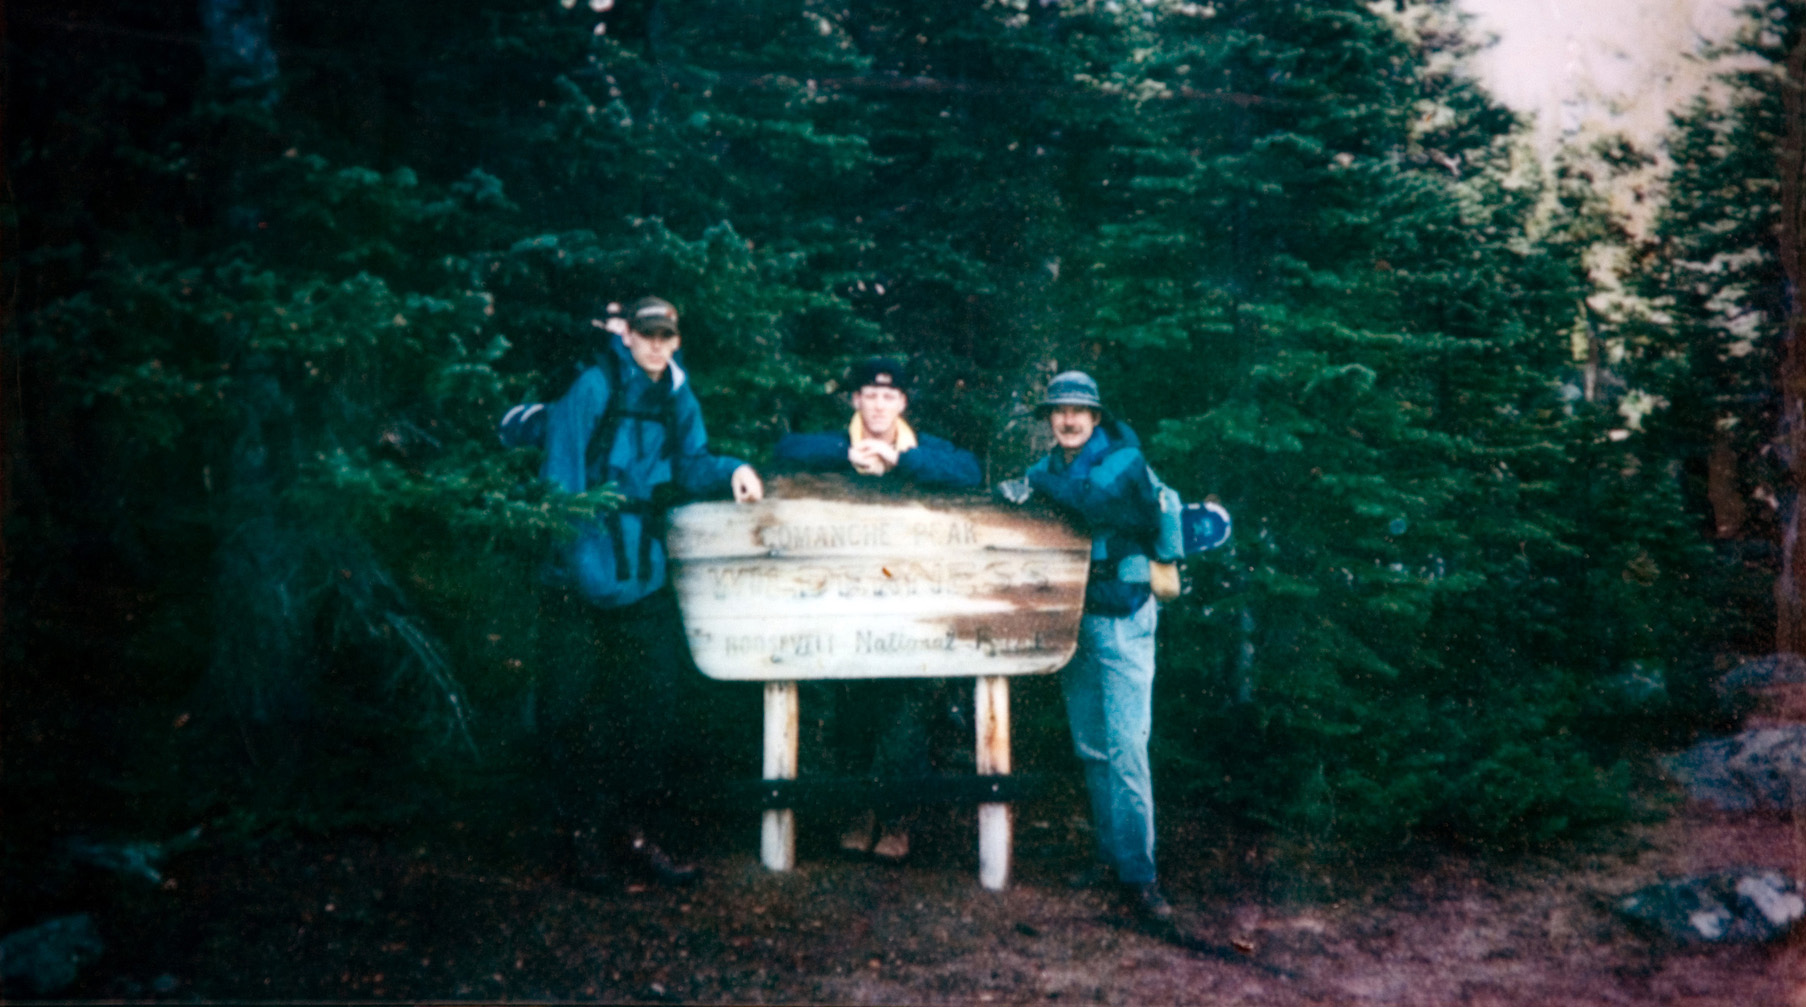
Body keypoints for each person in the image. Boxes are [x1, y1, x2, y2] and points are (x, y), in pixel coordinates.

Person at [503, 295, 763, 889]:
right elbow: (561, 478)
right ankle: (580, 844)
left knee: (647, 707)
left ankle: (633, 835)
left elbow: (690, 463)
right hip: (579, 574)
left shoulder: (676, 393)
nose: (654, 345)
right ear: (628, 337)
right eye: (645, 334)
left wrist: (732, 470)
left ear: (676, 339)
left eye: (665, 335)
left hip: (640, 571)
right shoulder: (591, 386)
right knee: (572, 709)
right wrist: (587, 570)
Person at [773, 357, 981, 861]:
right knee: (851, 710)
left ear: (903, 403)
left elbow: (968, 470)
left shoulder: (922, 449)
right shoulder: (835, 442)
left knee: (905, 712)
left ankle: (896, 820)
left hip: (909, 602)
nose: (879, 404)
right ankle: (856, 814)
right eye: (870, 394)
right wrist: (848, 455)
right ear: (855, 400)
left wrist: (898, 460)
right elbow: (786, 450)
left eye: (889, 396)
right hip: (846, 600)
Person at [998, 370, 1173, 923]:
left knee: (1126, 749)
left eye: (1078, 411)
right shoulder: (1052, 467)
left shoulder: (1123, 458)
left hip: (1124, 618)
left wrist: (1031, 481)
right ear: (1050, 420)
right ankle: (1109, 858)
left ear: (1096, 417)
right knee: (1093, 748)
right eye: (1058, 411)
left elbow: (1091, 503)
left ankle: (1141, 878)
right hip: (1074, 621)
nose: (1068, 420)